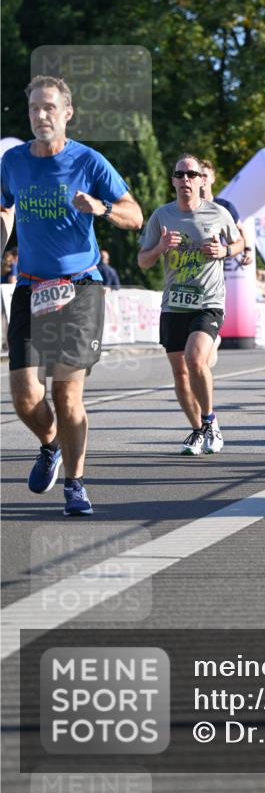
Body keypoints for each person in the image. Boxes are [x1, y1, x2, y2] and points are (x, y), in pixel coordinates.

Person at [0, 75, 143, 516]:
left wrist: (101, 207)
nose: (40, 115)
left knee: (66, 395)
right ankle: (51, 444)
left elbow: (135, 215)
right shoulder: (13, 162)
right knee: (25, 396)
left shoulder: (89, 161)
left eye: (49, 107)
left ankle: (75, 484)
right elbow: (5, 207)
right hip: (30, 286)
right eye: (34, 108)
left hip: (79, 288)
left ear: (67, 113)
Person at [137, 153, 244, 454]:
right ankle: (197, 430)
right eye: (180, 175)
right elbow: (143, 261)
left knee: (195, 360)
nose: (186, 179)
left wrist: (224, 251)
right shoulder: (161, 216)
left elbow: (239, 243)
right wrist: (160, 247)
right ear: (173, 181)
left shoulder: (218, 213)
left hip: (208, 301)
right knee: (181, 375)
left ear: (201, 181)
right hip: (174, 304)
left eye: (192, 175)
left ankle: (210, 422)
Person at [199, 159, 253, 367]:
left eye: (205, 175)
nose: (201, 180)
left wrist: (246, 250)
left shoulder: (224, 207)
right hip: (187, 272)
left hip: (213, 271)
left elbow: (240, 230)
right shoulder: (186, 206)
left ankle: (211, 340)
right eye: (198, 175)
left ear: (212, 179)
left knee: (208, 315)